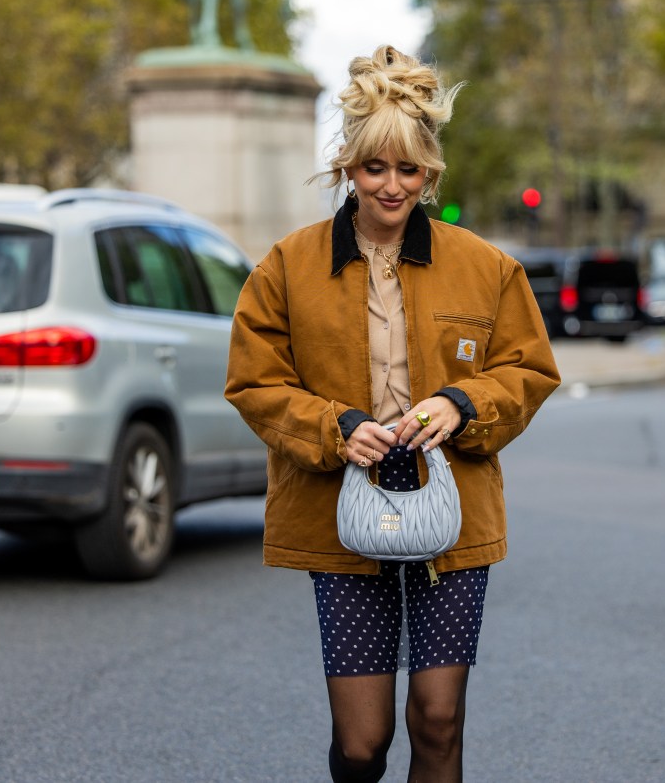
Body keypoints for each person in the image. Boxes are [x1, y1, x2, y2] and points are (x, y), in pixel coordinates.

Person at [225, 44, 560, 782]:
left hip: (454, 510)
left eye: (409, 169)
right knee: (361, 744)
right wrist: (336, 427)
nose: (391, 185)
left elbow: (530, 369)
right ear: (348, 164)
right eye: (375, 167)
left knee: (439, 722)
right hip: (340, 512)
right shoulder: (287, 266)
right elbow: (255, 380)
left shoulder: (487, 266)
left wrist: (461, 402)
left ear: (430, 172)